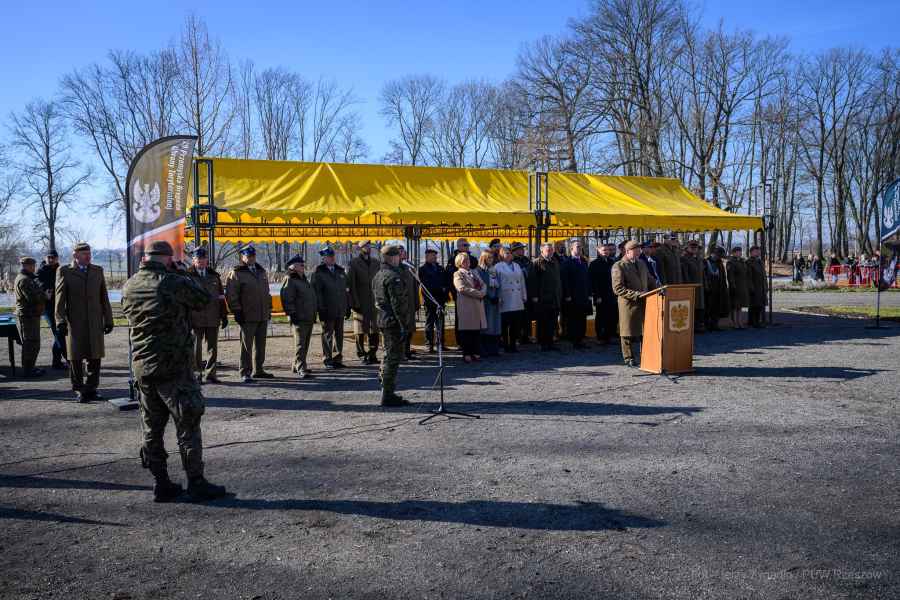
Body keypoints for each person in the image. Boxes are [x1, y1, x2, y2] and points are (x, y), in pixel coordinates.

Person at [121, 240, 227, 503]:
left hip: (143, 366)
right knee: (188, 422)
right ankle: (196, 482)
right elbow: (203, 299)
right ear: (168, 259)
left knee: (152, 427)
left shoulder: (130, 284)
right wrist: (181, 274)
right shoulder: (172, 281)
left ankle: (161, 483)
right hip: (173, 365)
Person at [55, 242, 114, 403]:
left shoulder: (97, 270)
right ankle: (79, 389)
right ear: (75, 255)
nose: (88, 256)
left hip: (95, 320)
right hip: (75, 321)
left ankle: (92, 388)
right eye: (84, 254)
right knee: (75, 357)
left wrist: (108, 319)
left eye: (89, 253)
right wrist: (60, 321)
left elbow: (104, 297)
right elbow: (59, 299)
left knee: (95, 356)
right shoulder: (65, 271)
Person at [224, 244, 273, 383]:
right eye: (248, 256)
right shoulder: (237, 273)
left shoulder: (261, 272)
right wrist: (237, 311)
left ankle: (259, 370)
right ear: (243, 257)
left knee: (261, 345)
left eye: (253, 256)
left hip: (262, 314)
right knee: (246, 346)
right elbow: (231, 294)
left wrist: (268, 309)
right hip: (247, 315)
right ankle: (245, 372)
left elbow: (266, 293)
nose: (251, 258)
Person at [372, 245, 411, 406]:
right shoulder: (393, 276)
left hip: (382, 319)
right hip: (393, 322)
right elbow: (398, 304)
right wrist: (403, 325)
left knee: (388, 355)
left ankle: (386, 387)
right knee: (393, 358)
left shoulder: (378, 275)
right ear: (393, 258)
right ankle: (387, 394)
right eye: (398, 256)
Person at [187, 247, 227, 384]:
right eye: (199, 259)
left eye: (204, 259)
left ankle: (211, 374)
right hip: (195, 318)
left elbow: (221, 297)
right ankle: (197, 374)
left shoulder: (214, 276)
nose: (202, 261)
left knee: (213, 348)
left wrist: (224, 314)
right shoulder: (187, 276)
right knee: (196, 349)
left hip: (212, 316)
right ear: (193, 260)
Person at [611, 240, 651, 367]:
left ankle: (646, 354)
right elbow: (617, 288)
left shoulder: (642, 263)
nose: (639, 252)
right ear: (627, 251)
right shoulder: (619, 266)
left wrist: (659, 287)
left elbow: (649, 279)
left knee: (643, 330)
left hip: (644, 302)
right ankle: (628, 357)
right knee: (627, 331)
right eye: (636, 250)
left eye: (639, 250)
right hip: (628, 304)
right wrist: (636, 294)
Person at [280, 255, 317, 379]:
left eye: (303, 264)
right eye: (300, 264)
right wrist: (292, 313)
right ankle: (301, 367)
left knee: (305, 344)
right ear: (293, 266)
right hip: (299, 317)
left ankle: (297, 365)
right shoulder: (290, 279)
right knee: (300, 344)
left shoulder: (303, 279)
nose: (303, 266)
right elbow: (286, 298)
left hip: (308, 316)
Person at [312, 246, 350, 369]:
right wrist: (320, 308)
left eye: (333, 256)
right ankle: (327, 359)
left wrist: (347, 306)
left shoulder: (340, 271)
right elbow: (316, 293)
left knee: (339, 335)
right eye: (329, 256)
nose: (332, 258)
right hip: (327, 309)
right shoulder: (318, 273)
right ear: (323, 258)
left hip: (340, 308)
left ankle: (337, 358)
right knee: (327, 335)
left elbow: (345, 290)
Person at [348, 240, 380, 364]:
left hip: (374, 301)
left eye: (369, 246)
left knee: (374, 330)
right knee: (360, 330)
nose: (368, 248)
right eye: (365, 246)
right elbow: (351, 284)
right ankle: (361, 354)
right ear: (360, 248)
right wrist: (354, 303)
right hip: (360, 301)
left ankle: (372, 354)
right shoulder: (354, 263)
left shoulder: (376, 263)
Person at [527, 243, 562, 352]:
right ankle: (543, 343)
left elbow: (558, 279)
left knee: (552, 322)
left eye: (551, 250)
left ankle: (550, 342)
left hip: (554, 297)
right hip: (542, 298)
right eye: (548, 250)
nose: (550, 252)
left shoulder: (555, 262)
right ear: (542, 251)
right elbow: (532, 281)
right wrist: (534, 296)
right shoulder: (536, 263)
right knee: (543, 322)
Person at [452, 251, 486, 363]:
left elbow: (483, 284)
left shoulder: (474, 272)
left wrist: (483, 292)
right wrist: (479, 293)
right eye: (464, 261)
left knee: (476, 331)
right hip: (466, 306)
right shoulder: (458, 274)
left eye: (468, 260)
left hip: (477, 305)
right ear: (459, 263)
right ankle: (467, 354)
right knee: (467, 332)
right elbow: (461, 288)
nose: (467, 263)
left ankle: (476, 353)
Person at [15, 257, 45, 377]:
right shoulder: (24, 280)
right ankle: (28, 370)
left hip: (31, 315)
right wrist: (44, 295)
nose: (34, 268)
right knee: (30, 344)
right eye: (32, 265)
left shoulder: (27, 278)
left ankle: (31, 367)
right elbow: (32, 298)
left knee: (33, 343)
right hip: (27, 316)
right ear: (26, 266)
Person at [36, 251, 65, 369]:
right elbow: (37, 283)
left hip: (61, 307)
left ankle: (56, 362)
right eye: (49, 257)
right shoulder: (41, 271)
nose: (51, 259)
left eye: (53, 257)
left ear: (57, 258)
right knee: (58, 333)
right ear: (45, 258)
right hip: (48, 307)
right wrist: (45, 290)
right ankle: (68, 359)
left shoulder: (60, 269)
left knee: (60, 333)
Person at [560, 240, 592, 349]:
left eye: (580, 247)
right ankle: (575, 340)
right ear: (571, 248)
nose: (580, 249)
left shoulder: (583, 261)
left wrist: (589, 293)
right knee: (574, 319)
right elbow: (565, 280)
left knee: (582, 318)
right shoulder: (567, 262)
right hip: (573, 296)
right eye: (577, 246)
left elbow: (587, 279)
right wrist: (567, 295)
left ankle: (581, 339)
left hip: (583, 295)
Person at [496, 246, 527, 353]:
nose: (509, 255)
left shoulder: (517, 265)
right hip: (505, 298)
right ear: (501, 255)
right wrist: (498, 297)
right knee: (505, 324)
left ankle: (513, 345)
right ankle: (506, 345)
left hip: (517, 298)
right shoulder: (498, 267)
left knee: (515, 323)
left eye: (510, 253)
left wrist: (524, 295)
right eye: (506, 253)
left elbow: (522, 281)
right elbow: (496, 284)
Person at [418, 248, 450, 353]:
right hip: (430, 300)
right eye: (432, 255)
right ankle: (429, 345)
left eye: (435, 255)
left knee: (440, 323)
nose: (435, 257)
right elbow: (426, 285)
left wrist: (445, 291)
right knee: (430, 323)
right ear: (427, 257)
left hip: (440, 300)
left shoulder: (440, 268)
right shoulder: (422, 269)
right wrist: (440, 289)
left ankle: (440, 344)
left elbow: (446, 281)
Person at [588, 242, 618, 344]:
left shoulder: (612, 262)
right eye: (604, 250)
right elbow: (593, 281)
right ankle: (600, 337)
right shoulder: (594, 264)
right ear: (598, 251)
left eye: (608, 250)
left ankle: (609, 335)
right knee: (601, 316)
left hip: (611, 294)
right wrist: (596, 295)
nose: (606, 252)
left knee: (611, 316)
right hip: (600, 295)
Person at [475, 250, 501, 357]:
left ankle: (494, 349)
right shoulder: (478, 270)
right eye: (489, 257)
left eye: (492, 257)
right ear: (484, 258)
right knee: (486, 325)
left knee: (495, 325)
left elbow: (499, 284)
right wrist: (489, 297)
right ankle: (484, 349)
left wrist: (497, 296)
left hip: (494, 301)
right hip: (485, 301)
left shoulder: (494, 270)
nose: (491, 260)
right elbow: (479, 285)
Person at [398, 246, 420, 360]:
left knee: (410, 330)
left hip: (411, 303)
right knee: (401, 330)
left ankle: (407, 350)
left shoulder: (410, 266)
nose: (403, 253)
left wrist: (417, 302)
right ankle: (401, 352)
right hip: (400, 304)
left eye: (403, 251)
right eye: (400, 252)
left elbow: (415, 285)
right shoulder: (394, 267)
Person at [680, 240, 706, 333]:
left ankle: (699, 325)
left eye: (695, 247)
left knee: (699, 307)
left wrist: (705, 285)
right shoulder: (684, 258)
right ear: (687, 248)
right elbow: (685, 274)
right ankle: (692, 326)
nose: (694, 249)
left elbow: (702, 273)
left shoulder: (698, 259)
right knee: (691, 306)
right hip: (690, 286)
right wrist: (688, 286)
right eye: (692, 247)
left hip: (700, 286)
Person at [511, 242, 533, 344]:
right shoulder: (512, 262)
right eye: (520, 249)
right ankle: (517, 336)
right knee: (517, 316)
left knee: (527, 316)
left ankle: (526, 336)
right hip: (517, 292)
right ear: (514, 251)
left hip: (527, 290)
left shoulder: (526, 260)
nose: (522, 250)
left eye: (522, 249)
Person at [703, 246, 730, 331]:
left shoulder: (720, 262)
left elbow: (723, 275)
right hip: (709, 288)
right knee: (708, 307)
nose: (720, 258)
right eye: (719, 256)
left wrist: (724, 287)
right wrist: (706, 286)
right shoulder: (705, 262)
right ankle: (707, 324)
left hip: (719, 287)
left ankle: (715, 324)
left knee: (717, 306)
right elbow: (704, 276)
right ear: (714, 254)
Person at [725, 246, 750, 329]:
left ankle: (740, 322)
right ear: (734, 253)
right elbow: (730, 275)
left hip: (743, 286)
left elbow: (745, 273)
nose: (740, 253)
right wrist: (733, 286)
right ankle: (734, 322)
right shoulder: (731, 262)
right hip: (735, 286)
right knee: (735, 306)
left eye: (740, 251)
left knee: (740, 305)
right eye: (738, 251)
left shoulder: (742, 261)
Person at [747, 246, 768, 328]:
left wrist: (765, 285)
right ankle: (753, 321)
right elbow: (749, 277)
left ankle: (757, 321)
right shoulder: (749, 262)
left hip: (761, 286)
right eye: (756, 251)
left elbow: (764, 275)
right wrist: (751, 287)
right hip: (754, 287)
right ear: (752, 252)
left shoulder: (760, 262)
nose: (758, 253)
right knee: (754, 305)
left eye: (759, 251)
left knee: (760, 305)